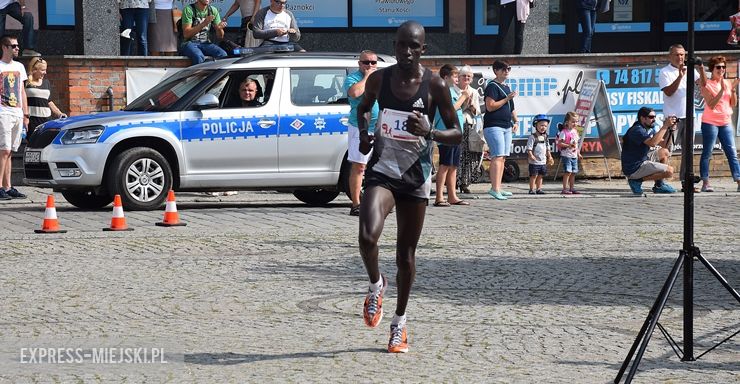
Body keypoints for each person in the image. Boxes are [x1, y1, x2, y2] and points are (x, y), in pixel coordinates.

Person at [356, 21, 461, 353]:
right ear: (395, 45)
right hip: (383, 171)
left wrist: (430, 132)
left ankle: (399, 324)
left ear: (423, 50)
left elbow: (456, 133)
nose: (406, 52)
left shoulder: (436, 86)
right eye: (401, 45)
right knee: (367, 235)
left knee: (406, 255)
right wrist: (363, 132)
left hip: (416, 178)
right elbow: (362, 109)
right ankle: (376, 286)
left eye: (413, 47)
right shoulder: (379, 78)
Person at [658, 44, 702, 192]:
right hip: (673, 118)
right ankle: (659, 182)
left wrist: (701, 69)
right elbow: (669, 92)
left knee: (688, 151)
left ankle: (686, 182)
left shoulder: (690, 70)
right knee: (665, 150)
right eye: (677, 54)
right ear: (670, 56)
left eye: (682, 54)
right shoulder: (665, 72)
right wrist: (679, 76)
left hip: (689, 116)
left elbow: (702, 84)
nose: (680, 57)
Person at [343, 49, 379, 216]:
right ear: (359, 63)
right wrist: (367, 78)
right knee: (359, 166)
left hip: (379, 127)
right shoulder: (353, 78)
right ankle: (356, 203)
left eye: (373, 62)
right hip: (360, 127)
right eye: (366, 62)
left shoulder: (381, 78)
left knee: (379, 167)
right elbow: (355, 93)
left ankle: (375, 200)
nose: (370, 65)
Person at [697, 56, 740, 192]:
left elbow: (733, 104)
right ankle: (705, 183)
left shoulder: (727, 82)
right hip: (710, 122)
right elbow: (711, 104)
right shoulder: (707, 84)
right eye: (718, 67)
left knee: (732, 152)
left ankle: (738, 180)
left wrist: (732, 91)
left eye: (723, 67)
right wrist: (721, 91)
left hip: (725, 122)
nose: (721, 69)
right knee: (707, 153)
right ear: (712, 69)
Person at [433, 63, 469, 207]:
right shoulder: (443, 91)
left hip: (455, 133)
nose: (457, 78)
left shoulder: (453, 91)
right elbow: (450, 109)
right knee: (444, 165)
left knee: (453, 166)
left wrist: (465, 100)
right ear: (446, 77)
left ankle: (452, 195)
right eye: (454, 76)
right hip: (446, 132)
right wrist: (464, 97)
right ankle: (439, 196)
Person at [621, 107, 678, 195]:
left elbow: (664, 145)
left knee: (664, 152)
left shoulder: (649, 129)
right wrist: (665, 126)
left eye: (655, 117)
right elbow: (653, 143)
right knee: (669, 171)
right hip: (634, 167)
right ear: (642, 118)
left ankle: (659, 185)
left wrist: (671, 130)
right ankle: (636, 180)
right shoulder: (637, 130)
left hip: (643, 159)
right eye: (651, 117)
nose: (654, 120)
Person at [483, 60, 518, 200]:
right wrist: (506, 99)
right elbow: (490, 106)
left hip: (506, 125)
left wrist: (516, 121)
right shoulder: (492, 86)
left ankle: (498, 187)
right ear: (496, 71)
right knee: (497, 156)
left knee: (502, 157)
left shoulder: (506, 87)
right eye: (503, 69)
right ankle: (495, 188)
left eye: (508, 68)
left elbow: (512, 107)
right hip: (493, 125)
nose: (507, 71)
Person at [0, 35, 28, 200]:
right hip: (3, 112)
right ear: (5, 47)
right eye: (14, 46)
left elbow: (22, 91)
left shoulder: (19, 66)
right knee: (4, 150)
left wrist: (25, 113)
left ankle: (8, 186)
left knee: (10, 152)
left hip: (17, 112)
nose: (17, 48)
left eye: (18, 46)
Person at [24, 57, 66, 138]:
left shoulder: (46, 83)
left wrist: (59, 113)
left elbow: (49, 101)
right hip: (31, 120)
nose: (45, 72)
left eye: (45, 70)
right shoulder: (25, 82)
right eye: (43, 70)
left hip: (46, 120)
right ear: (35, 69)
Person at [456, 65, 482, 194]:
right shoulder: (453, 90)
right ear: (459, 78)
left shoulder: (474, 91)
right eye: (464, 76)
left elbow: (477, 112)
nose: (466, 78)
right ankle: (454, 182)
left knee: (469, 155)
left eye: (469, 76)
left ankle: (465, 183)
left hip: (468, 124)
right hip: (456, 124)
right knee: (457, 154)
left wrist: (471, 105)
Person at [180, 0, 227, 66]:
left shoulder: (213, 10)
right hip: (189, 43)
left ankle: (215, 76)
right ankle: (198, 76)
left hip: (206, 43)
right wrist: (204, 23)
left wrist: (219, 29)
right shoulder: (189, 9)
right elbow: (186, 34)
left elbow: (220, 36)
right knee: (198, 56)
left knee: (223, 54)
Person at [526, 114, 553, 194]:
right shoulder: (532, 137)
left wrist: (550, 157)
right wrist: (531, 155)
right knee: (533, 176)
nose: (543, 127)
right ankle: (531, 189)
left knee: (541, 176)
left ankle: (539, 189)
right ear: (535, 125)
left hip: (543, 161)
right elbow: (529, 149)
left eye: (545, 126)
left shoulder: (545, 137)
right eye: (541, 125)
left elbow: (548, 148)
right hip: (534, 162)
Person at [556, 112, 583, 194]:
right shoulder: (564, 132)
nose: (575, 123)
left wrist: (578, 153)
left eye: (576, 121)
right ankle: (564, 189)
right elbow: (559, 143)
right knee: (568, 172)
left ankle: (572, 188)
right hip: (566, 155)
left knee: (573, 172)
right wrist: (568, 145)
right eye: (573, 121)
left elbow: (576, 145)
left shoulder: (575, 132)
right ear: (567, 122)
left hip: (574, 155)